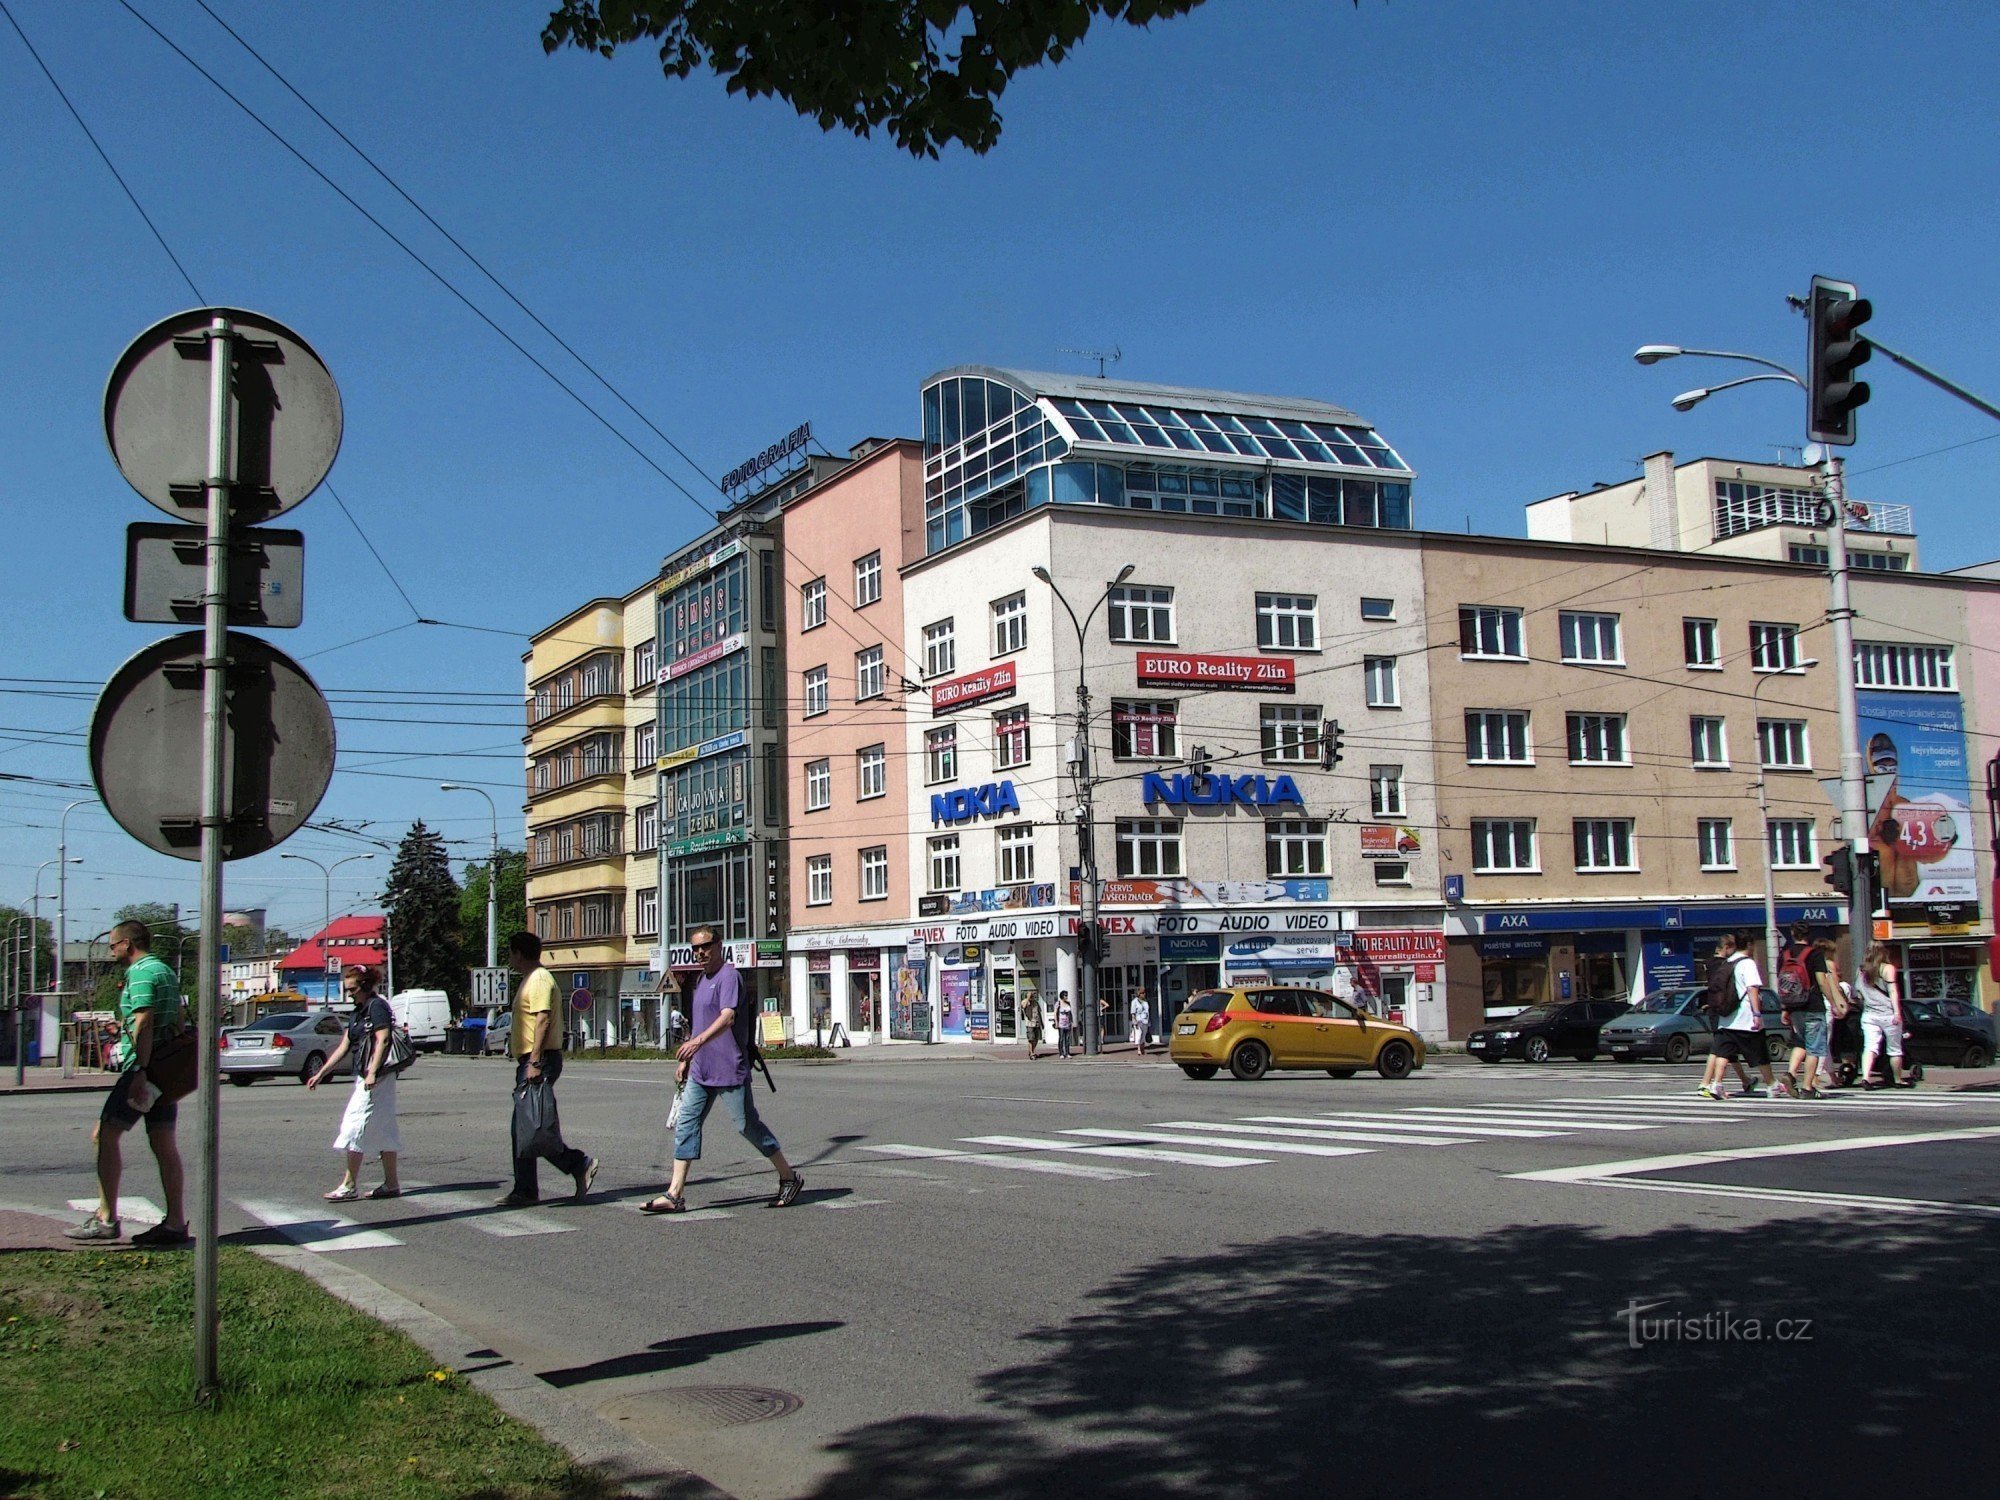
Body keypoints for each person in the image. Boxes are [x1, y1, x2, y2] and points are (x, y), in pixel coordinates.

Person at [644, 926, 802, 1214]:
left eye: (705, 946)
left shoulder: (730, 976)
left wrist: (697, 1042)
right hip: (701, 1070)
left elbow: (727, 1017)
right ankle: (675, 1194)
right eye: (696, 948)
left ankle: (789, 1177)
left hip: (729, 1067)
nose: (701, 952)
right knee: (686, 1125)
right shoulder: (700, 981)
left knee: (746, 1125)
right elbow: (701, 1023)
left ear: (719, 945)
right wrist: (687, 1059)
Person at [66, 919, 190, 1246]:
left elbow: (143, 1020)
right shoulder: (165, 970)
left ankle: (106, 1219)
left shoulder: (140, 972)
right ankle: (175, 1222)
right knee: (164, 1144)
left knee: (105, 1134)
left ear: (127, 944)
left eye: (113, 945)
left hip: (146, 1068)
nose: (112, 951)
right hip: (167, 1069)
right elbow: (177, 1016)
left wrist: (140, 1069)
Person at [497, 931, 598, 1207]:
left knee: (530, 1126)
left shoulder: (540, 979)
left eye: (510, 953)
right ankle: (526, 1189)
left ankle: (577, 1163)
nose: (509, 959)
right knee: (525, 1126)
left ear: (519, 953)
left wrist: (535, 1061)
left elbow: (542, 1020)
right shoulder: (530, 980)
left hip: (538, 1059)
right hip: (531, 1058)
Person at [308, 965, 403, 1200]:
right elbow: (345, 1045)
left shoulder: (377, 1006)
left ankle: (349, 1185)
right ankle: (392, 1184)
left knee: (354, 1125)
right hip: (369, 1077)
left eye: (352, 989)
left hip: (377, 1078)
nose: (349, 994)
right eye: (347, 989)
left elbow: (383, 1039)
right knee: (385, 1130)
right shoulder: (359, 1011)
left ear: (364, 986)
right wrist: (321, 1072)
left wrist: (372, 1072)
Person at [1698, 932, 1775, 1101]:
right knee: (1760, 1052)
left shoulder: (1728, 962)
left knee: (1723, 1053)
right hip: (1745, 1017)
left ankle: (1717, 1084)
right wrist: (1756, 1013)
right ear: (1749, 945)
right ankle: (1772, 1085)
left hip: (1727, 1017)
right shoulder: (1747, 963)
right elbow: (1752, 988)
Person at [1856, 941, 1915, 1089]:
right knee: (1894, 1049)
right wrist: (1897, 1012)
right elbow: (1893, 991)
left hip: (1869, 1014)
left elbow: (1859, 992)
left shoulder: (1861, 970)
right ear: (1883, 953)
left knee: (1870, 1047)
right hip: (1888, 1014)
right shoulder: (1888, 968)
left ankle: (1865, 1077)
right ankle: (1898, 1079)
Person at [1020, 990, 1044, 1060]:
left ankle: (1031, 1051)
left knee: (1036, 1039)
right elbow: (1023, 1007)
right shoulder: (1025, 1002)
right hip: (1030, 1023)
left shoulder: (1036, 1003)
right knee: (1031, 1038)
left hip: (1037, 1023)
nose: (1032, 997)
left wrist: (1042, 1023)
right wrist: (1028, 998)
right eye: (1030, 996)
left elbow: (1039, 1013)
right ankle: (1032, 1053)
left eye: (1032, 996)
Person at [1054, 990, 1075, 1059]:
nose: (1066, 997)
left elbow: (1070, 1013)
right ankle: (1061, 1053)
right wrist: (1056, 1022)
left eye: (1067, 995)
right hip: (1061, 1023)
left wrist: (1071, 1022)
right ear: (1062, 996)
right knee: (1061, 1038)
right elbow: (1055, 1013)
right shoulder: (1058, 1003)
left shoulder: (1068, 1003)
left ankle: (1067, 1052)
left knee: (1068, 1038)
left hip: (1067, 1023)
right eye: (1065, 995)